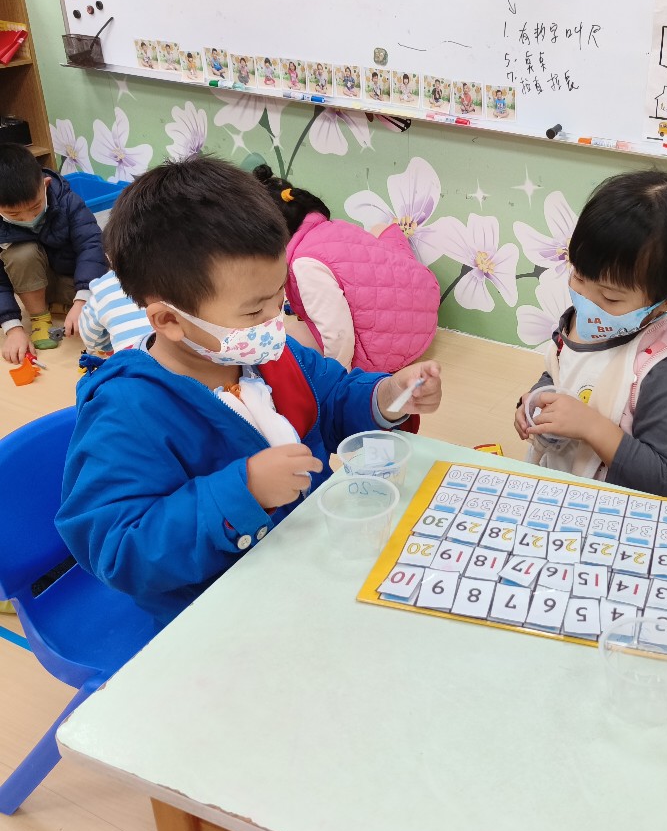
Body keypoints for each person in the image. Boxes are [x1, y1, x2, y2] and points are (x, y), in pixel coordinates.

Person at [56, 156, 442, 628]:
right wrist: (243, 492)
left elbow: (335, 398)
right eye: (254, 311)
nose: (275, 321)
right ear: (170, 320)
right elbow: (117, 549)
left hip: (306, 561)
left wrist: (386, 396)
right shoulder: (126, 411)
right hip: (216, 611)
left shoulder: (271, 355)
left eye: (279, 298)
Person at [513, 170, 667, 498]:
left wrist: (591, 426)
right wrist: (536, 398)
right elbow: (561, 370)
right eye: (579, 276)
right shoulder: (578, 322)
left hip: (621, 510)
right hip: (561, 491)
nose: (586, 301)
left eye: (610, 298)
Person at [253, 165, 439, 372]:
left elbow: (337, 332)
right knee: (378, 234)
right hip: (423, 311)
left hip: (387, 350)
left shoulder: (305, 264)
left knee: (281, 336)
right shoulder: (335, 227)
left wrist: (340, 376)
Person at [0, 144, 106, 363]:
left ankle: (65, 305)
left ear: (45, 185)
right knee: (21, 254)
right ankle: (39, 317)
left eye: (35, 207)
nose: (28, 218)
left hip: (73, 280)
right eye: (14, 214)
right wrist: (13, 328)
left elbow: (91, 245)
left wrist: (82, 299)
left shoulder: (68, 202)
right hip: (33, 289)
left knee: (113, 294)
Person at [77, 268, 152, 354]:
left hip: (131, 356)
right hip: (160, 349)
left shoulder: (103, 286)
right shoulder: (164, 277)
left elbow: (89, 334)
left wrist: (107, 346)